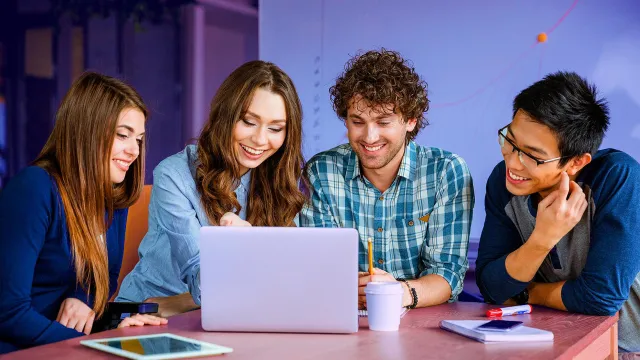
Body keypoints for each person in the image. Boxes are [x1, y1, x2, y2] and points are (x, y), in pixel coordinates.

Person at [116, 61, 307, 316]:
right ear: (225, 115)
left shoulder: (279, 180)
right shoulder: (174, 175)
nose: (261, 140)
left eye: (275, 128)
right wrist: (244, 250)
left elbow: (290, 283)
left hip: (214, 313)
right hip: (144, 315)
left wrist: (182, 302)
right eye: (249, 122)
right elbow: (206, 287)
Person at [0, 72, 167, 354]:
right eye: (123, 135)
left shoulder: (114, 194)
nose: (134, 151)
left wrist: (82, 299)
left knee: (157, 325)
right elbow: (8, 312)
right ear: (87, 132)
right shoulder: (34, 188)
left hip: (68, 340)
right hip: (23, 347)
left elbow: (107, 275)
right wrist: (96, 342)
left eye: (138, 139)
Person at [475, 71, 640, 352]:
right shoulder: (504, 183)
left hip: (626, 349)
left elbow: (600, 298)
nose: (513, 163)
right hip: (551, 343)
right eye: (509, 140)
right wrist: (542, 239)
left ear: (576, 162)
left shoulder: (618, 178)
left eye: (533, 156)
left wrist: (527, 293)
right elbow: (492, 287)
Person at [299, 49, 475, 310]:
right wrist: (347, 286)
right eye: (357, 121)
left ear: (410, 120)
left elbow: (447, 274)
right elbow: (319, 269)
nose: (370, 137)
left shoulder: (445, 172)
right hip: (346, 319)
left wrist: (398, 293)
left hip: (425, 326)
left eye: (384, 122)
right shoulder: (322, 173)